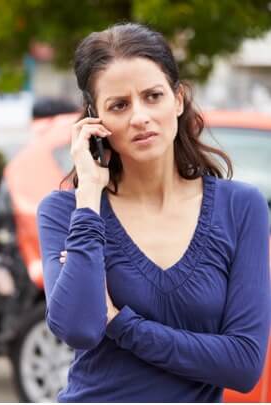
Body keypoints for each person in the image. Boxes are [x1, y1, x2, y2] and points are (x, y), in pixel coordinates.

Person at [37, 23, 270, 402]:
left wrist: (118, 322)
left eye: (152, 96)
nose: (140, 116)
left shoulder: (240, 208)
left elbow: (243, 365)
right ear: (96, 120)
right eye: (119, 105)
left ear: (177, 100)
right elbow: (78, 327)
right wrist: (91, 193)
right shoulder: (66, 211)